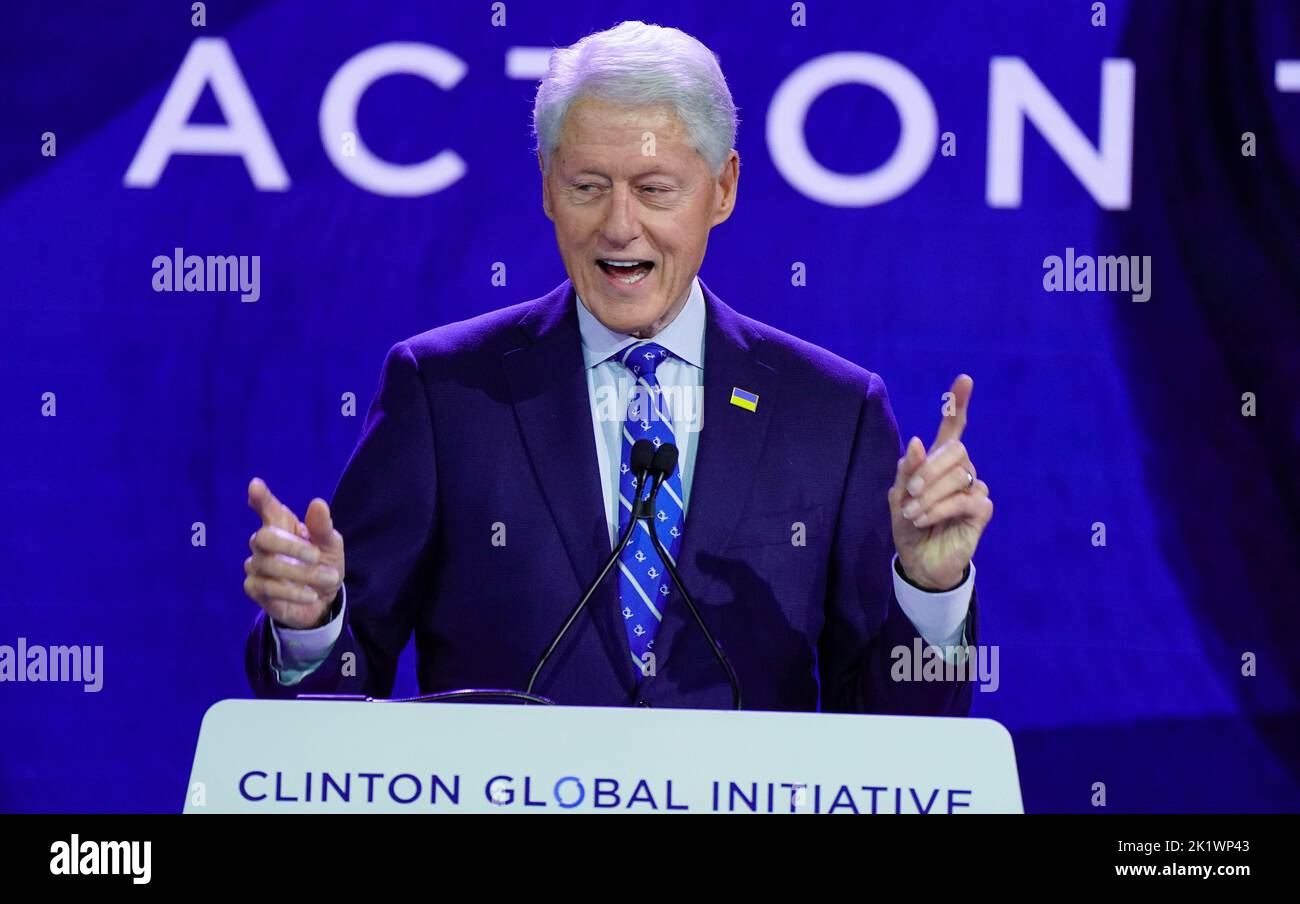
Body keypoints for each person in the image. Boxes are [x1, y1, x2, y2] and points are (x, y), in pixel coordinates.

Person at [242, 21, 993, 712]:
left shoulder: (834, 413)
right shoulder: (445, 392)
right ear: (546, 187)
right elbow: (332, 709)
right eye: (587, 187)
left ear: (723, 188)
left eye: (655, 190)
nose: (619, 225)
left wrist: (931, 592)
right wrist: (311, 630)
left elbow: (901, 741)